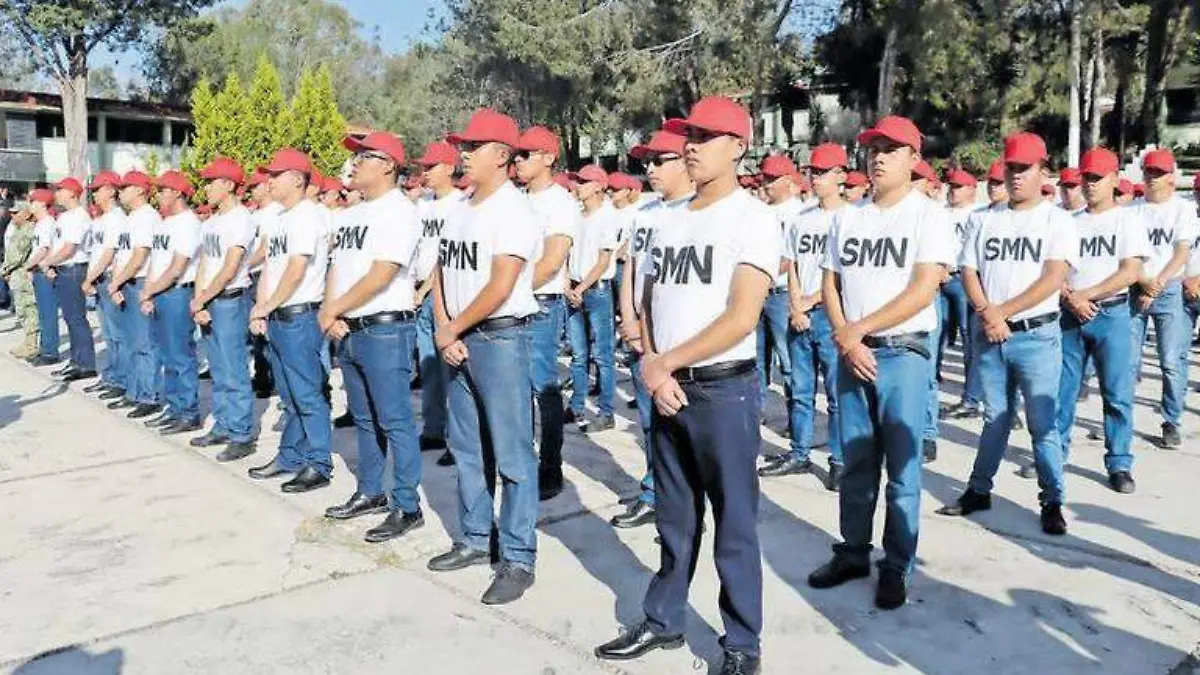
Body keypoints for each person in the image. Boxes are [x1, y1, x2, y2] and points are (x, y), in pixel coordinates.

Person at [594, 96, 778, 675]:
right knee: (674, 520)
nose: (691, 146)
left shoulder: (752, 219)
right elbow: (649, 301)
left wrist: (662, 363)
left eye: (705, 136)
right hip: (667, 385)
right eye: (688, 136)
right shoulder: (667, 218)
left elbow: (741, 316)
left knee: (734, 525)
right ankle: (663, 619)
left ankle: (741, 644)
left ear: (738, 147)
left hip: (723, 392)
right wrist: (655, 364)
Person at [804, 116, 952, 612]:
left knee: (903, 469)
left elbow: (923, 288)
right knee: (856, 463)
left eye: (891, 149)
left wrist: (858, 329)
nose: (879, 157)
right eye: (874, 148)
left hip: (902, 352)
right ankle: (852, 552)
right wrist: (848, 337)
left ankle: (896, 565)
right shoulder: (848, 217)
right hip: (853, 352)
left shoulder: (927, 216)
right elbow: (830, 282)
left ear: (914, 158)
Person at [426, 109, 541, 606]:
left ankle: (517, 556)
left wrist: (453, 328)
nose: (464, 154)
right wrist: (444, 326)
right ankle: (475, 538)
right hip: (458, 337)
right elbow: (440, 271)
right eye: (463, 146)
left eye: (473, 147)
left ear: (502, 155)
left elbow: (501, 284)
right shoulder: (460, 206)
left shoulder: (513, 210)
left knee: (513, 454)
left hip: (499, 340)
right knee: (467, 447)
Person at [939, 131, 1075, 536]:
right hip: (991, 333)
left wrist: (1002, 312)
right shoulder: (985, 218)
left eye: (1024, 168)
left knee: (1042, 424)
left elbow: (1054, 276)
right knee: (994, 418)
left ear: (1042, 171)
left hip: (1036, 336)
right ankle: (979, 490)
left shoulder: (1057, 220)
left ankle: (1052, 500)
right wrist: (987, 311)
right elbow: (968, 270)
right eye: (1011, 167)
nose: (1016, 175)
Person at [320, 131, 426, 543]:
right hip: (350, 327)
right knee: (363, 418)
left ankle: (407, 505)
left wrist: (335, 309)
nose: (355, 163)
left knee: (395, 420)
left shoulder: (399, 211)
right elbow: (337, 268)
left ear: (388, 166)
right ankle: (370, 491)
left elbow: (382, 273)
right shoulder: (352, 214)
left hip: (384, 327)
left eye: (364, 157)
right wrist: (331, 311)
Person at [611, 123, 693, 528]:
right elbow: (632, 269)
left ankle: (684, 505)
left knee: (685, 428)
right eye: (648, 162)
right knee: (650, 422)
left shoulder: (697, 212)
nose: (651, 170)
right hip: (643, 337)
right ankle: (654, 493)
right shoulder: (644, 215)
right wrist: (629, 318)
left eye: (660, 161)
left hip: (680, 341)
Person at [1054, 147, 1147, 493]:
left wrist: (1086, 295)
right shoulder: (1068, 221)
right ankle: (1054, 455)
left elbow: (1130, 271)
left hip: (1112, 314)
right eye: (1086, 178)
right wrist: (1070, 296)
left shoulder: (1128, 220)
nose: (1090, 184)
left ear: (1114, 180)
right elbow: (1054, 268)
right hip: (1070, 315)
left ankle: (1119, 462)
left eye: (1097, 178)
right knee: (1062, 392)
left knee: (1117, 393)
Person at [760, 142, 847, 488]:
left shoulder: (852, 218)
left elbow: (845, 276)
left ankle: (840, 460)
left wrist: (811, 302)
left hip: (831, 315)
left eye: (824, 172)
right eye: (813, 172)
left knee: (837, 396)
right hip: (800, 314)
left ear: (841, 175)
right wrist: (796, 304)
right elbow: (792, 264)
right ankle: (799, 452)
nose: (816, 178)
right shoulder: (802, 219)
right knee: (800, 390)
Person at [246, 148, 333, 493]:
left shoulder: (308, 216)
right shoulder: (280, 218)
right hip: (278, 316)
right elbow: (272, 267)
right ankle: (290, 456)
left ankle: (319, 463)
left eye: (275, 175)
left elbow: (297, 270)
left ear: (297, 179)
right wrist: (261, 307)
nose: (268, 181)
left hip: (300, 316)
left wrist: (268, 306)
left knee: (308, 395)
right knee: (289, 395)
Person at [514, 125, 578, 501]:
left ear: (549, 158)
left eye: (526, 154)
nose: (518, 160)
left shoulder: (560, 203)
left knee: (544, 388)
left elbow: (552, 261)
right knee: (516, 391)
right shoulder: (515, 200)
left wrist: (511, 292)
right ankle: (522, 464)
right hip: (512, 304)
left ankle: (550, 466)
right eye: (517, 154)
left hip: (539, 305)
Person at [189, 157, 258, 461]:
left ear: (229, 185)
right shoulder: (212, 222)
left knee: (233, 369)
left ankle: (241, 433)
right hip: (210, 300)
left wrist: (203, 298)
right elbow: (204, 264)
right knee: (217, 368)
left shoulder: (241, 219)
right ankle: (223, 424)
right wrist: (199, 301)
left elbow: (230, 268)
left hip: (230, 300)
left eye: (211, 182)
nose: (205, 188)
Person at [1130, 149, 1195, 448]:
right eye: (1149, 171)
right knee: (1128, 361)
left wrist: (1156, 285)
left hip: (1168, 288)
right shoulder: (1133, 209)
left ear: (1171, 176)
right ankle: (1119, 417)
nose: (1153, 177)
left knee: (1170, 360)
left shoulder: (1182, 209)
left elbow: (1181, 253)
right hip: (1136, 287)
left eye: (1159, 172)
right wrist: (1144, 284)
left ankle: (1171, 420)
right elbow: (1128, 254)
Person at [138, 170, 202, 435]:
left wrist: (149, 291)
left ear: (177, 193)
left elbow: (177, 268)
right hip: (160, 293)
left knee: (180, 355)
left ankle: (188, 412)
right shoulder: (165, 222)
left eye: (164, 190)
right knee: (166, 355)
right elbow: (156, 261)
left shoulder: (188, 223)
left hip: (177, 293)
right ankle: (174, 408)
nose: (159, 195)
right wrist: (150, 292)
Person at [411, 140, 463, 464]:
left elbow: (444, 258)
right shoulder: (423, 204)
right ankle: (433, 429)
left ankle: (457, 440)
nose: (425, 172)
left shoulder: (459, 204)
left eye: (431, 167)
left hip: (442, 294)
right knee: (428, 367)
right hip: (420, 292)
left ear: (449, 168)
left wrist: (426, 290)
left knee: (450, 371)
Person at [565, 164, 618, 431]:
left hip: (596, 290)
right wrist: (567, 285)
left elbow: (603, 260)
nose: (578, 186)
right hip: (575, 288)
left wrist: (581, 288)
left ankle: (606, 411)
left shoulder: (607, 216)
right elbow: (567, 252)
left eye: (584, 182)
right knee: (578, 354)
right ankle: (576, 406)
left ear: (598, 186)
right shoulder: (576, 215)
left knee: (602, 355)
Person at [107, 171, 163, 419]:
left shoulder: (147, 217)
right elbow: (122, 255)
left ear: (140, 190)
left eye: (125, 187)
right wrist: (117, 283)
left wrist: (117, 282)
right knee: (131, 342)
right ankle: (134, 391)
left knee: (145, 343)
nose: (120, 192)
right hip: (125, 282)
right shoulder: (132, 217)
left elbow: (140, 256)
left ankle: (148, 395)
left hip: (139, 281)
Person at [938, 168, 983, 421]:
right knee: (938, 336)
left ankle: (971, 398)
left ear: (972, 189)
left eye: (958, 187)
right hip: (940, 279)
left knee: (969, 340)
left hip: (963, 279)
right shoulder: (940, 213)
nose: (952, 191)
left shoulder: (978, 214)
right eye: (951, 186)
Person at [41, 178, 97, 381]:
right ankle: (76, 361)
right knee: (69, 318)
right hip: (63, 269)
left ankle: (86, 364)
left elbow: (69, 249)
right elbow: (58, 246)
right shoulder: (64, 216)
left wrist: (47, 262)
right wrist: (51, 265)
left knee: (76, 318)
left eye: (60, 190)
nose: (56, 194)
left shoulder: (79, 216)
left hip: (74, 270)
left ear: (72, 193)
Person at [755, 154, 798, 419]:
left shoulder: (797, 212)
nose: (766, 184)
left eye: (772, 179)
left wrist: (765, 278)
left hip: (780, 294)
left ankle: (796, 419)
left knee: (788, 360)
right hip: (758, 294)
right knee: (756, 359)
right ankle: (756, 413)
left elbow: (790, 258)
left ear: (787, 181)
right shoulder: (760, 212)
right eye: (765, 179)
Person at [80, 171, 129, 399]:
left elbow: (109, 254)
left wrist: (89, 278)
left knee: (118, 334)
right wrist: (91, 278)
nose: (94, 195)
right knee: (109, 334)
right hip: (99, 279)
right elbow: (95, 253)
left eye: (98, 190)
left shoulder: (117, 218)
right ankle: (111, 376)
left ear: (111, 191)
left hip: (109, 278)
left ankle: (122, 379)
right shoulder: (100, 220)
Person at [246, 169, 279, 399]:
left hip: (264, 275)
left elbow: (265, 248)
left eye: (255, 186)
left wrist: (242, 266)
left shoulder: (274, 212)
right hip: (254, 275)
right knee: (256, 334)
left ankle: (271, 379)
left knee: (267, 332)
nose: (252, 191)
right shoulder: (255, 214)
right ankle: (262, 378)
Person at [24, 190, 62, 366]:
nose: (30, 205)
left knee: (48, 313)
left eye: (33, 201)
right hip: (38, 271)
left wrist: (27, 266)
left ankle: (50, 352)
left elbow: (44, 249)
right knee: (42, 313)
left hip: (45, 271)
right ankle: (44, 347)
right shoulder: (40, 223)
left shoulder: (47, 223)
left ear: (42, 203)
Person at [1, 206, 38, 359]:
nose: (13, 216)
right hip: (16, 274)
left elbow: (17, 255)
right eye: (12, 213)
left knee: (28, 309)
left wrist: (4, 270)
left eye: (16, 213)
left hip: (22, 275)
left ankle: (31, 344)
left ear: (26, 214)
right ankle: (28, 342)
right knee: (22, 310)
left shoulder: (27, 230)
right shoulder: (18, 229)